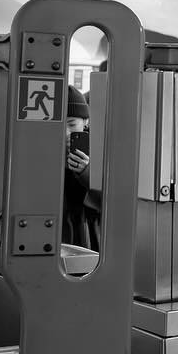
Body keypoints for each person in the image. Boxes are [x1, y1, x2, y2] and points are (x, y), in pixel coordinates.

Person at [62, 85, 100, 248]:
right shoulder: (44, 151)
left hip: (86, 235)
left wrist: (86, 172)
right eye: (60, 125)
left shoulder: (99, 151)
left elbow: (110, 199)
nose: (66, 133)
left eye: (71, 124)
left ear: (86, 121)